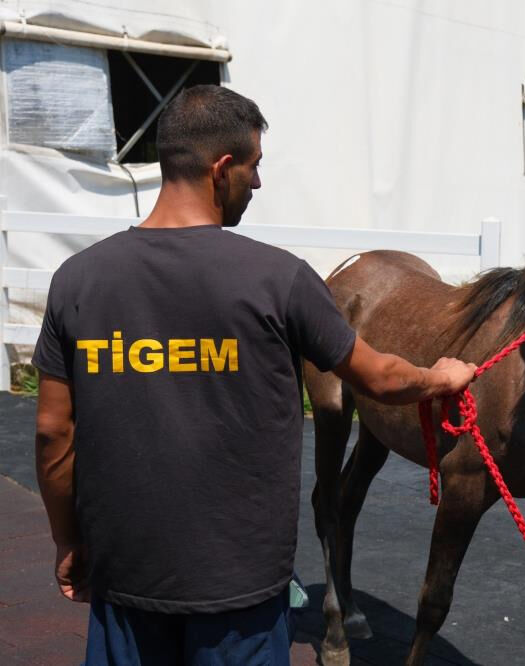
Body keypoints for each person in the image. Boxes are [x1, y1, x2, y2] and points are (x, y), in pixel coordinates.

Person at [32, 84, 476, 665]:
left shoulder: (77, 280)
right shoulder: (280, 280)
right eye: (254, 166)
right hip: (239, 589)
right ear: (222, 169)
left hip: (125, 576)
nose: (258, 183)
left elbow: (52, 433)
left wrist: (69, 538)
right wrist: (441, 378)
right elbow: (382, 379)